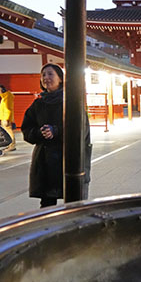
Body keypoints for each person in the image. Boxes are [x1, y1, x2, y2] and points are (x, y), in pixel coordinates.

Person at [21, 63, 92, 207]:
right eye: (43, 75)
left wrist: (57, 131)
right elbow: (27, 129)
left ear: (60, 78)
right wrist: (39, 133)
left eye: (50, 74)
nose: (46, 77)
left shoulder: (71, 101)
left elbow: (81, 128)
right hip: (45, 160)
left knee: (73, 201)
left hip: (69, 158)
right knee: (47, 204)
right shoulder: (38, 104)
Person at [0, 84, 16, 151]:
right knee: (7, 132)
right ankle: (10, 145)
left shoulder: (7, 97)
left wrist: (6, 119)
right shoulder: (5, 97)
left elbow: (8, 109)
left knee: (9, 132)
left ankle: (12, 145)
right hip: (4, 117)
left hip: (5, 118)